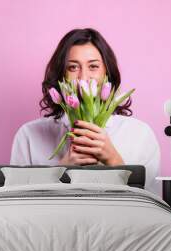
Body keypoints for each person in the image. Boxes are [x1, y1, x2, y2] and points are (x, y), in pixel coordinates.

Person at [10, 28, 160, 193]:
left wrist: (114, 161)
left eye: (93, 66)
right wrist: (62, 169)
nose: (83, 77)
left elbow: (152, 203)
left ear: (106, 74)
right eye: (73, 67)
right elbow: (17, 203)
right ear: (61, 75)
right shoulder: (29, 135)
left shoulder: (140, 134)